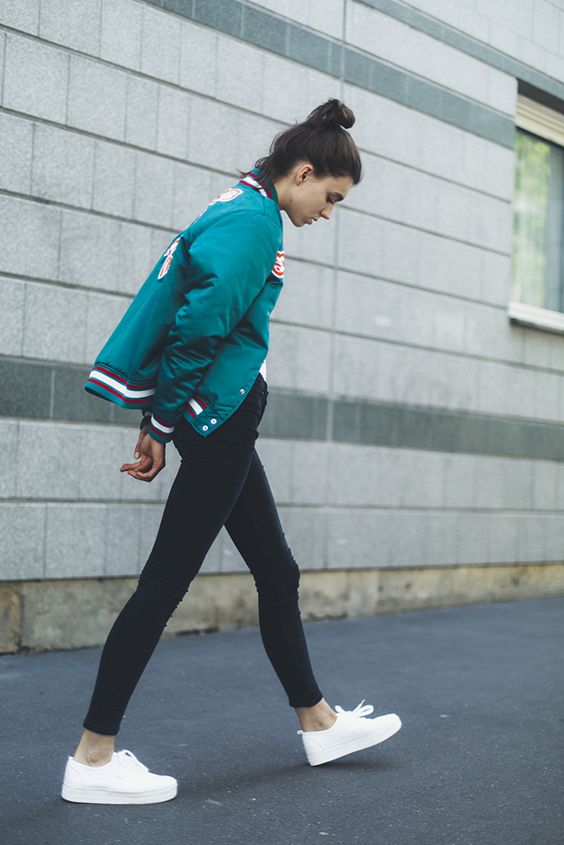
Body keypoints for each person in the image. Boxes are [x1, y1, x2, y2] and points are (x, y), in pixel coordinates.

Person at [61, 98, 401, 805]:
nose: (327, 214)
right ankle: (92, 755)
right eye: (330, 198)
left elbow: (201, 322)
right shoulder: (252, 221)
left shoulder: (243, 201)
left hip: (221, 420)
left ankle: (318, 721)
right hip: (216, 422)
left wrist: (162, 422)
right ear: (303, 172)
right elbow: (198, 330)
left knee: (277, 568)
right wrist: (160, 425)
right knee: (164, 582)